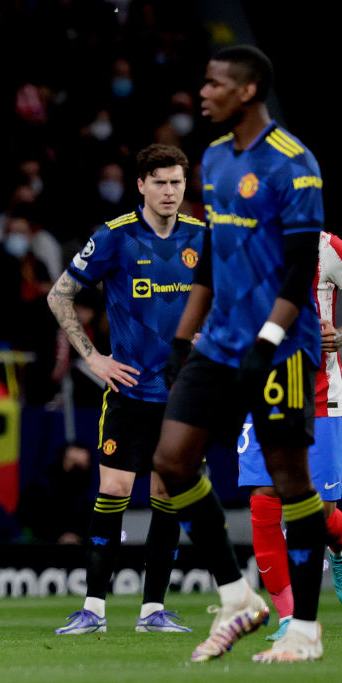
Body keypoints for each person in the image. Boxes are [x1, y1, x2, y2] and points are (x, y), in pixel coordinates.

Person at [155, 44, 325, 663]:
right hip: (219, 342)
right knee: (172, 463)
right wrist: (181, 338)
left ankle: (304, 629)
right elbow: (212, 258)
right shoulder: (214, 158)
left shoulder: (293, 164)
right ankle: (238, 596)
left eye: (215, 84)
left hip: (279, 349)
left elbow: (299, 270)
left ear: (248, 90)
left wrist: (269, 343)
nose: (203, 93)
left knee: (288, 481)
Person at [47, 143, 205, 635]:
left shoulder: (204, 238)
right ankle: (93, 609)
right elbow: (60, 295)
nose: (169, 191)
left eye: (176, 182)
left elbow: (232, 302)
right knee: (113, 489)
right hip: (130, 392)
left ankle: (151, 611)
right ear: (140, 185)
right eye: (159, 181)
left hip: (183, 396)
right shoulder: (114, 236)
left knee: (168, 496)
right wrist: (93, 357)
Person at [236, 230, 342, 641]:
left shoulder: (326, 247)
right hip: (263, 392)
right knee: (263, 501)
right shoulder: (241, 244)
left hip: (319, 397)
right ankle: (288, 617)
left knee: (316, 511)